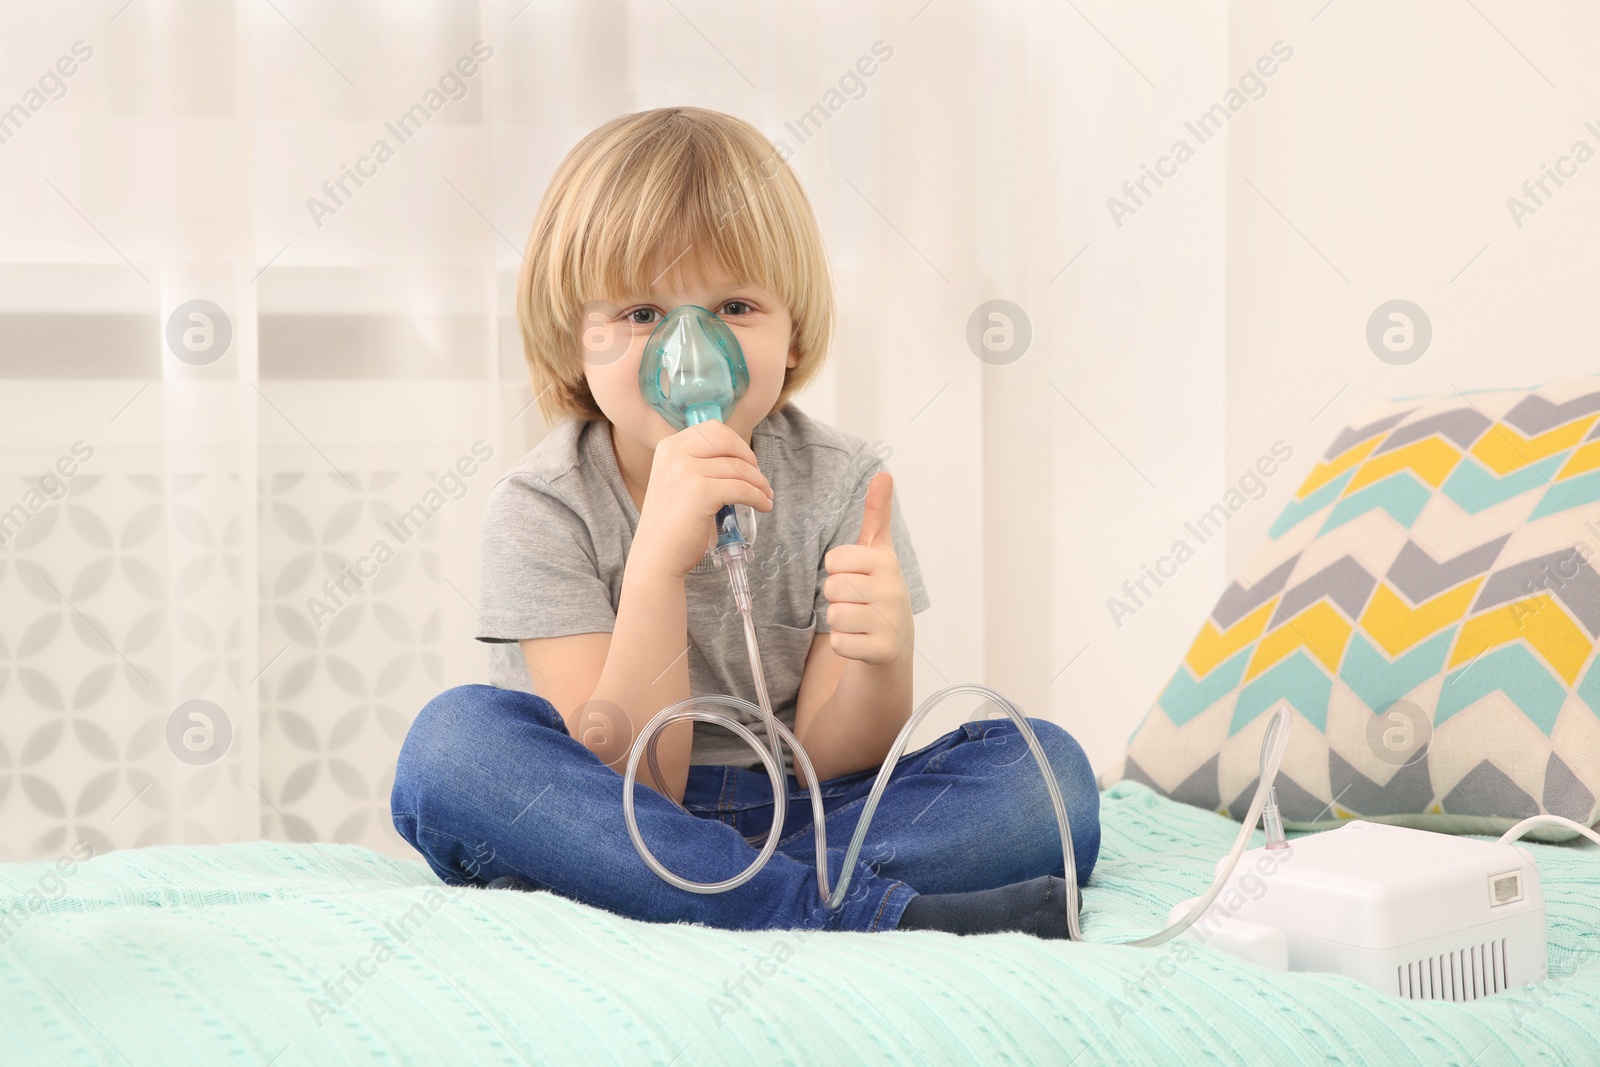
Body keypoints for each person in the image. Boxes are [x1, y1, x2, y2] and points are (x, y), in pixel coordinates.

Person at [390, 106, 1100, 936]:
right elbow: (634, 781)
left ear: (793, 333)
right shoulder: (544, 506)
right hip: (611, 807)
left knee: (1045, 775)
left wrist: (883, 656)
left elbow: (838, 758)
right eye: (642, 314)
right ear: (572, 339)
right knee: (452, 750)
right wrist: (656, 569)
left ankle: (696, 894)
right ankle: (832, 910)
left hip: (805, 809)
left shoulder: (843, 483)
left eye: (733, 306)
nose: (688, 352)